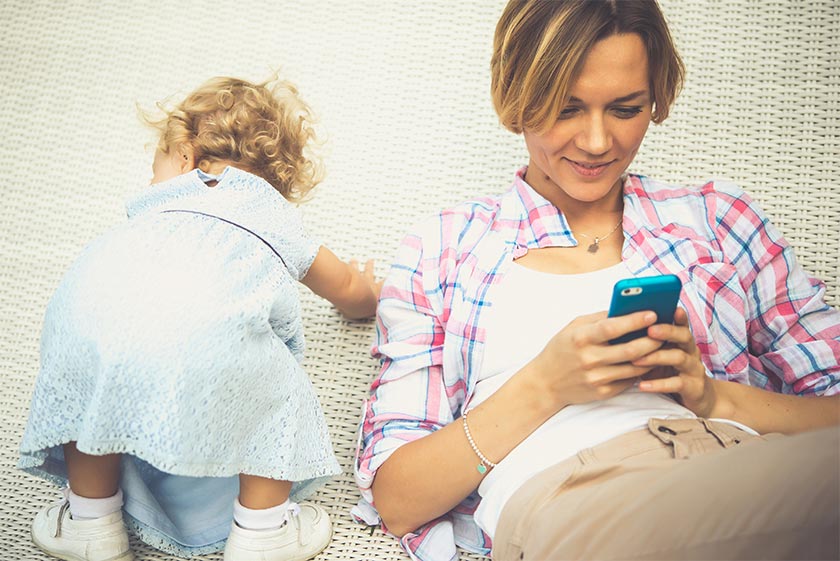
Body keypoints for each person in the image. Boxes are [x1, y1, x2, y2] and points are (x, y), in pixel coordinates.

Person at [354, 1, 840, 560]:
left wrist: (711, 397)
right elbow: (397, 497)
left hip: (743, 469)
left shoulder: (718, 219)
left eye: (626, 108)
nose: (595, 141)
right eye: (566, 109)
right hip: (578, 501)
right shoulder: (444, 247)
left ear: (655, 98)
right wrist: (546, 384)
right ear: (517, 99)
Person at [19, 76, 382, 561]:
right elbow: (349, 293)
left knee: (90, 375)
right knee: (274, 393)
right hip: (206, 343)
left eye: (155, 168)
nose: (151, 183)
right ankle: (262, 531)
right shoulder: (271, 214)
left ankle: (91, 521)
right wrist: (369, 291)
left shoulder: (154, 210)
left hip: (84, 313)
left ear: (185, 158)